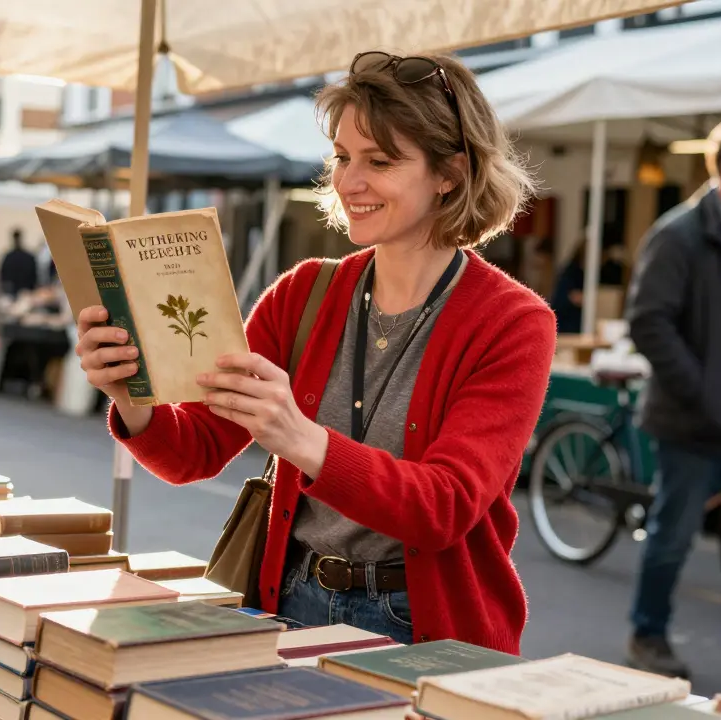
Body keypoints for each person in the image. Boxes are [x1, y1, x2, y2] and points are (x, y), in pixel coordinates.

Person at [75, 51, 554, 652]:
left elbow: (444, 508)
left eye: (380, 161)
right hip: (289, 599)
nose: (349, 183)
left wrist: (299, 439)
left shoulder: (512, 322)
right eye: (343, 158)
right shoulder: (304, 293)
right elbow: (193, 453)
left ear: (450, 173)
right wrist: (133, 394)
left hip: (427, 625)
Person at [625, 114, 721, 677]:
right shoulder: (680, 234)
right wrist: (703, 394)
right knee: (673, 536)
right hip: (693, 424)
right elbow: (649, 323)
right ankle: (648, 634)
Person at [0, 228, 38, 298]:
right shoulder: (28, 257)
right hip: (22, 293)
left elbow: (2, 277)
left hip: (16, 293)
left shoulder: (8, 257)